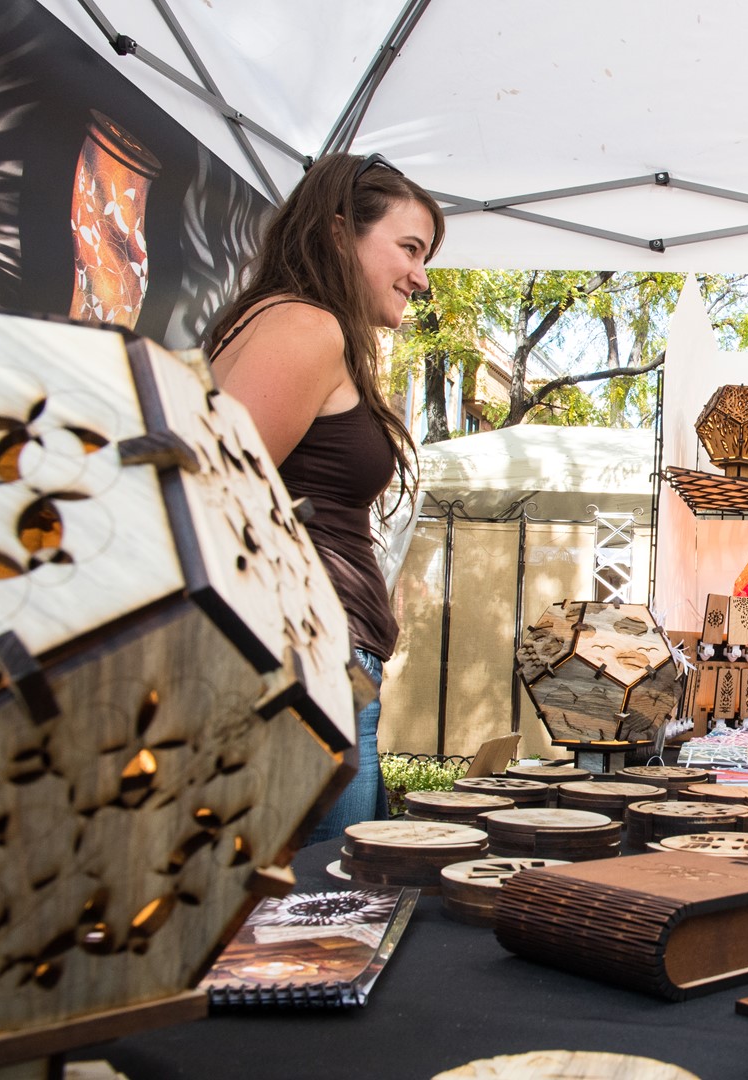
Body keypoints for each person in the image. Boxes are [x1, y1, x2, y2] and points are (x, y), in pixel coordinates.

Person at [202, 151, 444, 844]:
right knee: (318, 915)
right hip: (307, 657)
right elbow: (216, 494)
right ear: (339, 233)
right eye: (408, 248)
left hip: (316, 656)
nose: (420, 277)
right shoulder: (307, 326)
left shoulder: (289, 324)